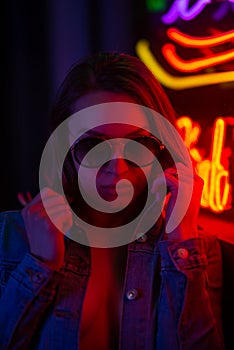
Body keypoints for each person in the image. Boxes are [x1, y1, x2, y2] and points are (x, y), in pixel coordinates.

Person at [0, 52, 225, 350]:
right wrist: (40, 265)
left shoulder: (197, 251)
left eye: (138, 144)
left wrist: (180, 242)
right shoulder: (10, 238)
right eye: (93, 144)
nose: (118, 169)